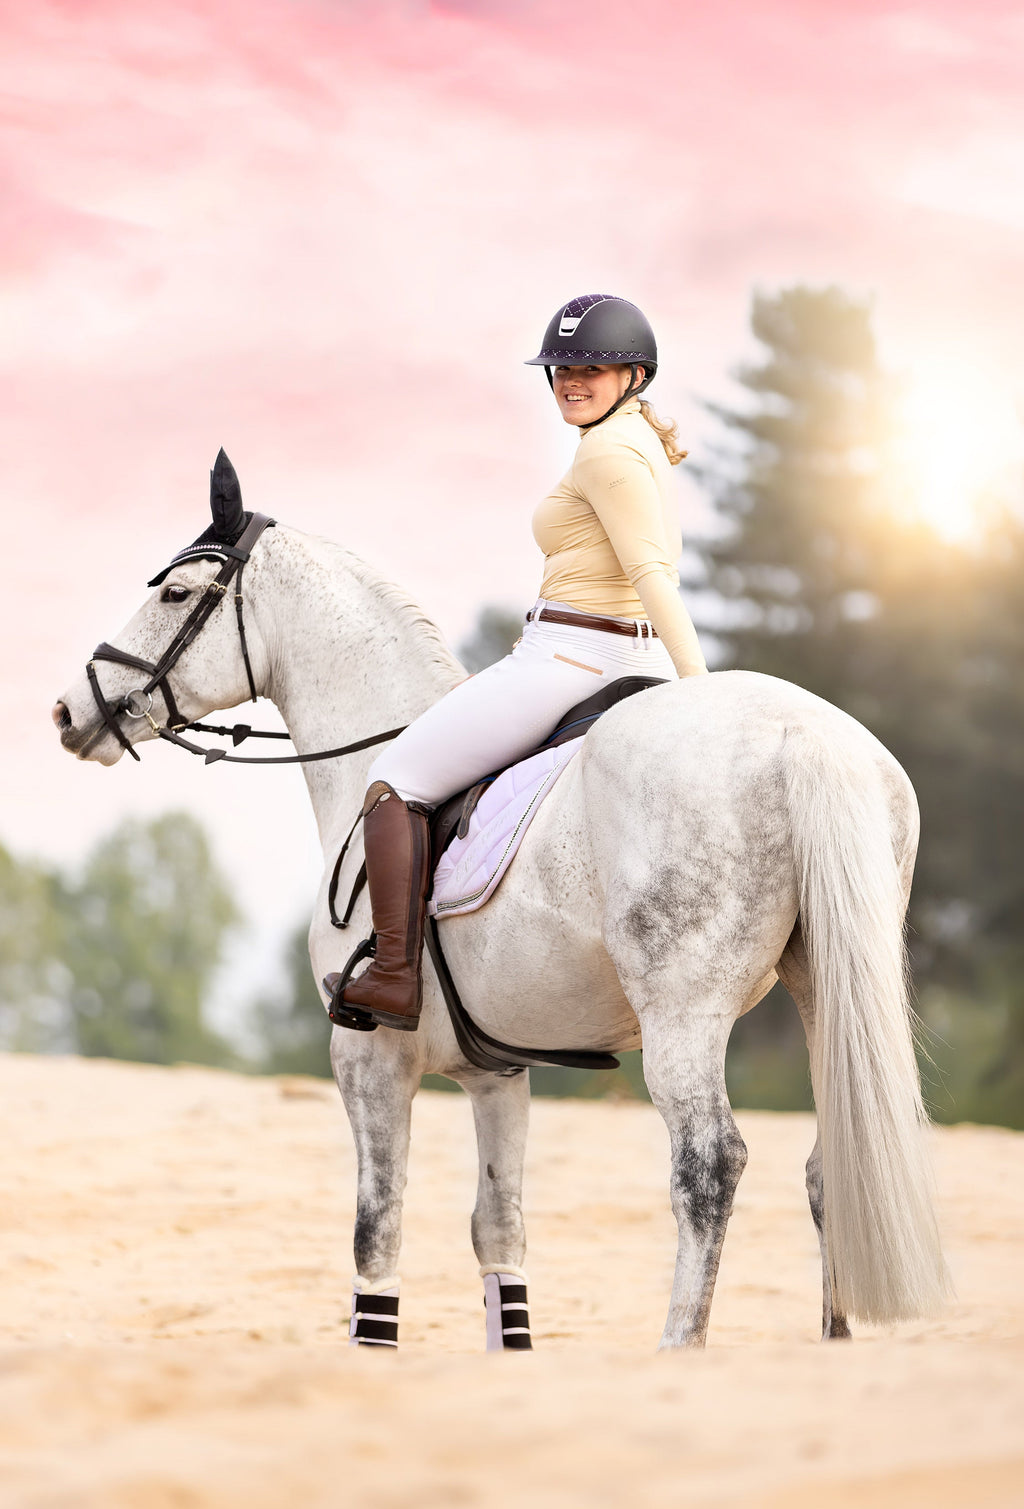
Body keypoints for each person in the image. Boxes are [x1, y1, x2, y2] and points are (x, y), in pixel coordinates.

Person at [338, 294, 709, 1032]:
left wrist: (701, 688)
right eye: (561, 367)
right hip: (611, 652)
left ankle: (394, 975)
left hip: (571, 656)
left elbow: (651, 572)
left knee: (394, 782)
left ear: (634, 373)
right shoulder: (629, 438)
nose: (572, 379)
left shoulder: (607, 451)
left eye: (591, 366)